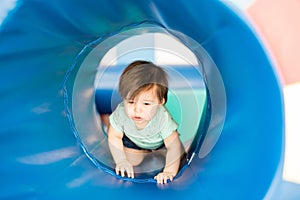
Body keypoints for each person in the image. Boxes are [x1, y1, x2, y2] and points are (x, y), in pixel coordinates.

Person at [107, 60, 185, 184]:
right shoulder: (121, 112)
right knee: (132, 162)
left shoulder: (163, 118)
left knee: (177, 156)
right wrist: (121, 160)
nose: (137, 109)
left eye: (146, 103)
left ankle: (154, 154)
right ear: (123, 97)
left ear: (160, 102)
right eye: (131, 102)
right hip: (134, 141)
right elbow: (114, 136)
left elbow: (173, 146)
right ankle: (144, 152)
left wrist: (169, 171)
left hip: (161, 144)